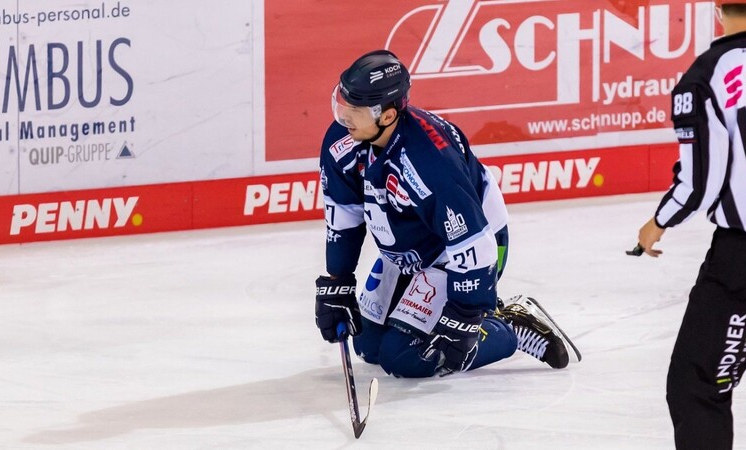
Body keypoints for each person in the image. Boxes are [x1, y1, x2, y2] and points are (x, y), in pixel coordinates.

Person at [314, 49, 580, 378]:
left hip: (462, 254)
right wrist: (337, 280)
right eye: (343, 103)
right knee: (369, 345)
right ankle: (466, 314)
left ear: (387, 115)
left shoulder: (429, 161)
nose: (344, 116)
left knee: (407, 357)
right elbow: (343, 214)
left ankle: (508, 324)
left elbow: (474, 244)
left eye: (354, 109)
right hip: (408, 254)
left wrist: (464, 316)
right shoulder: (343, 139)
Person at [636, 2, 746, 448]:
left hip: (741, 261)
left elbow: (701, 180)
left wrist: (659, 221)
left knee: (698, 385)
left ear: (718, 9)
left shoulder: (706, 76)